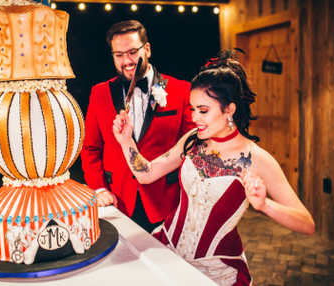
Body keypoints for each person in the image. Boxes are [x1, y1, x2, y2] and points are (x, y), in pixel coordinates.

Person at [111, 50, 315, 285]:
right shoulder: (191, 140)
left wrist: (265, 205)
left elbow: (307, 224)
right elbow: (146, 175)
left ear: (229, 110)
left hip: (217, 271)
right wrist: (126, 141)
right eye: (193, 109)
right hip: (167, 249)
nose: (195, 117)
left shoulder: (258, 158)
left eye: (204, 111)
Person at [81, 20, 195, 233]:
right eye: (119, 55)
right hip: (117, 202)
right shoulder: (99, 93)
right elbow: (90, 149)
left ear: (148, 49)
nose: (127, 60)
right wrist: (98, 188)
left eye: (133, 52)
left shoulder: (181, 90)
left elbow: (192, 148)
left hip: (167, 203)